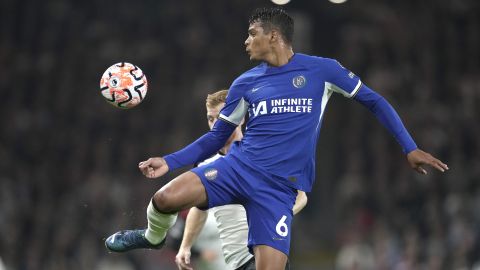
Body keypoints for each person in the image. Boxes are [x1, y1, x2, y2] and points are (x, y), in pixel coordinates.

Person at [105, 7, 449, 270]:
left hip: (278, 190)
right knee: (165, 199)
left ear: (273, 37)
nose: (246, 41)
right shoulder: (245, 83)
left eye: (252, 33)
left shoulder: (322, 70)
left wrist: (410, 146)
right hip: (238, 167)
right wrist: (170, 161)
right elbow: (216, 138)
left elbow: (374, 100)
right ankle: (153, 237)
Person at [174, 89, 308, 270]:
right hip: (236, 264)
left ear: (240, 118)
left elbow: (301, 195)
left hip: (262, 257)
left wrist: (279, 215)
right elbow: (199, 209)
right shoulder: (205, 164)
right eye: (211, 119)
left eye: (222, 118)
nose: (215, 125)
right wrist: (185, 246)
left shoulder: (263, 155)